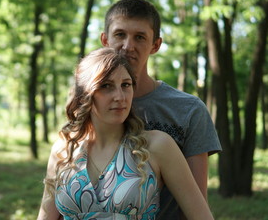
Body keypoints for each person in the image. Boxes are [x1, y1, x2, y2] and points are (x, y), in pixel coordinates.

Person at [37, 47, 214, 219]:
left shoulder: (157, 146)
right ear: (84, 94)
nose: (120, 96)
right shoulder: (64, 149)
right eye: (106, 86)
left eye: (126, 85)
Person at [99, 0, 222, 219]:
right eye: (120, 35)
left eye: (140, 37)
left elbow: (198, 205)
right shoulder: (91, 105)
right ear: (105, 39)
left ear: (155, 45)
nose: (128, 46)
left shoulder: (189, 110)